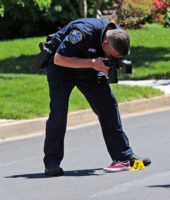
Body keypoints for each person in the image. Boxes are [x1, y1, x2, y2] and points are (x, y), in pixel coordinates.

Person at [42, 18, 151, 176]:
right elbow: (59, 59)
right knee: (59, 112)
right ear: (105, 42)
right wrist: (93, 63)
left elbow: (102, 59)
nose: (113, 59)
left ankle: (123, 156)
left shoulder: (118, 34)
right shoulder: (82, 32)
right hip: (61, 67)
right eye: (112, 56)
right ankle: (51, 163)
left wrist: (106, 64)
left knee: (108, 104)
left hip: (91, 67)